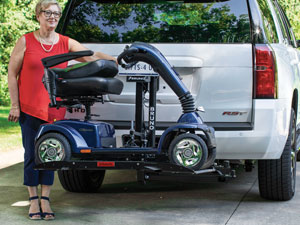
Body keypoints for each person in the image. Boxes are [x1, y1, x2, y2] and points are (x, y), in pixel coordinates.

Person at [7, 0, 117, 220]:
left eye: (56, 14)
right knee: (31, 154)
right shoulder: (26, 41)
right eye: (48, 13)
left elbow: (90, 55)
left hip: (54, 110)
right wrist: (15, 105)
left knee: (52, 154)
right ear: (38, 15)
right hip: (29, 108)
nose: (53, 17)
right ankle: (32, 200)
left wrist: (111, 58)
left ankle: (45, 199)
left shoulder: (65, 42)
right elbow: (12, 73)